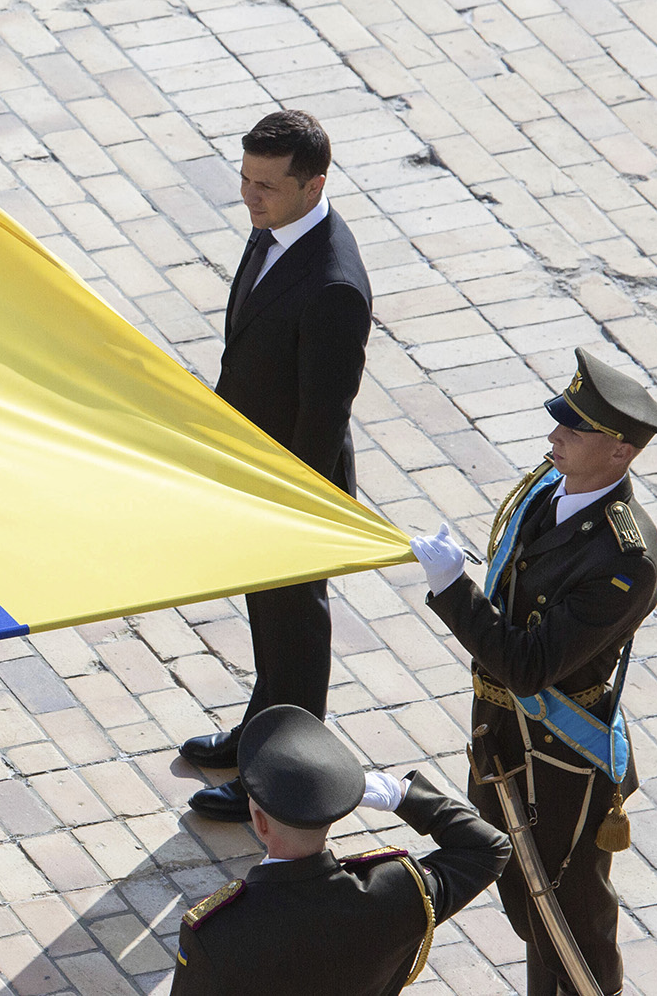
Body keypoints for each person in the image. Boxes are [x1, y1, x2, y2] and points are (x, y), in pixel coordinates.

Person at [410, 348, 657, 996]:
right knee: (530, 907)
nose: (555, 435)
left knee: (567, 912)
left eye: (575, 429)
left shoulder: (624, 558)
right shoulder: (545, 487)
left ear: (620, 452)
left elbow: (527, 666)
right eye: (561, 420)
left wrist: (452, 589)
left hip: (557, 753)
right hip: (501, 730)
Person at [179, 110, 373, 821]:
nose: (250, 197)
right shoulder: (277, 230)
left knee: (293, 630)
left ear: (312, 183)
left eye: (266, 185)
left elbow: (324, 411)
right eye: (245, 179)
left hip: (290, 482)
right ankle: (261, 727)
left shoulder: (331, 286)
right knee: (269, 618)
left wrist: (288, 505)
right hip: (256, 465)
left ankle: (282, 775)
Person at [171, 704, 510, 994]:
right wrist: (402, 795)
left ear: (260, 823)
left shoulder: (217, 932)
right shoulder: (400, 889)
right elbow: (488, 847)